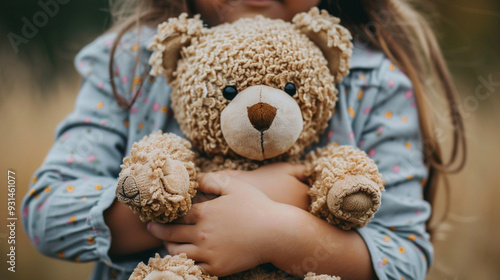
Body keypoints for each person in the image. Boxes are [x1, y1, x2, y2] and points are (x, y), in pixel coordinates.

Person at [22, 0, 466, 279]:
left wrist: (279, 233)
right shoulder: (132, 63)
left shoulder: (376, 83)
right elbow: (46, 213)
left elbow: (404, 258)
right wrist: (235, 196)